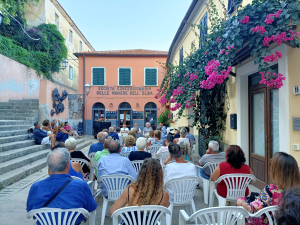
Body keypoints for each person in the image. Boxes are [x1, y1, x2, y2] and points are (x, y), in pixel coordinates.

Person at [27, 148, 97, 225]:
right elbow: (92, 207)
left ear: (49, 167)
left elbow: (30, 211)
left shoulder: (36, 187)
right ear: (68, 165)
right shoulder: (81, 185)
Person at [237, 152, 300, 225]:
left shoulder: (270, 189)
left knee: (241, 201)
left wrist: (241, 202)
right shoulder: (297, 192)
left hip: (271, 222)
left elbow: (254, 209)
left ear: (276, 171)